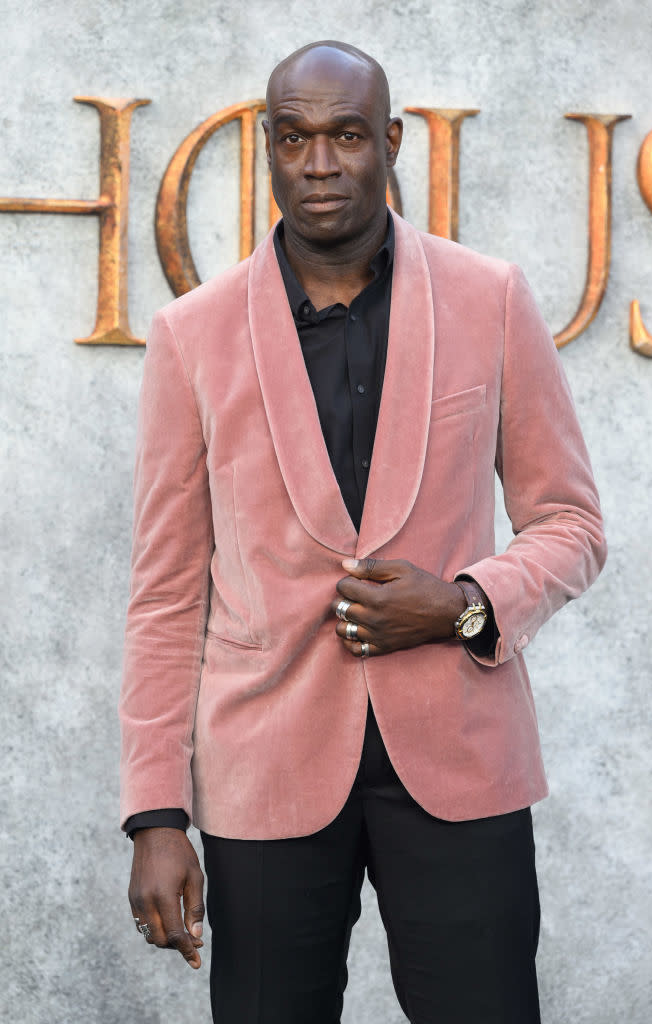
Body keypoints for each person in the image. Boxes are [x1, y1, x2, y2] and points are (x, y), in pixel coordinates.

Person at [120, 40, 606, 1024]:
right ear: (269, 149)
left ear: (389, 143)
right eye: (295, 138)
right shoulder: (192, 336)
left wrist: (468, 603)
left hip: (461, 763)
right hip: (265, 770)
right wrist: (156, 815)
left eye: (346, 135)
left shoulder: (491, 298)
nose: (321, 164)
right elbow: (167, 593)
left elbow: (572, 523)